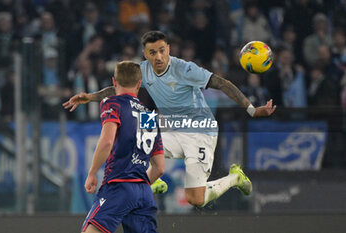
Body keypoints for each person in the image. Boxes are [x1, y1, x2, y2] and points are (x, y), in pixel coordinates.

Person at [64, 31, 276, 207]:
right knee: (134, 139)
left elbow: (222, 83)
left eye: (162, 50)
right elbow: (119, 88)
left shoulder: (184, 69)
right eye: (152, 52)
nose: (158, 57)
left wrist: (252, 110)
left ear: (169, 50)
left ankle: (235, 178)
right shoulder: (144, 71)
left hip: (200, 132)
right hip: (173, 130)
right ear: (145, 54)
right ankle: (151, 181)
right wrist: (89, 97)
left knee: (196, 199)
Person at [81, 61, 165, 233]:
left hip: (118, 186)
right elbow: (159, 168)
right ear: (139, 84)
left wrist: (92, 173)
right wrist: (139, 187)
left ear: (114, 82)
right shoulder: (149, 116)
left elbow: (106, 141)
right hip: (144, 193)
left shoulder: (112, 103)